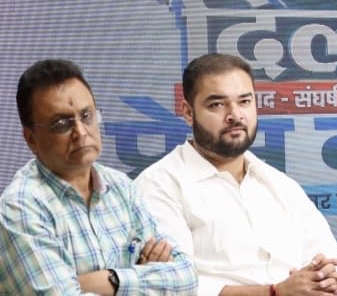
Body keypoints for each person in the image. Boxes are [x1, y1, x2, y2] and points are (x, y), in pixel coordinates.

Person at [135, 53, 337, 295]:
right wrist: (275, 292)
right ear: (188, 113)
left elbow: (330, 264)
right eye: (217, 104)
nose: (235, 115)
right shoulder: (159, 186)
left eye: (244, 101)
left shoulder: (280, 184)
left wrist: (328, 282)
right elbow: (173, 284)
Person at [0, 59, 197, 294]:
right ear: (31, 138)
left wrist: (110, 280)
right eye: (61, 123)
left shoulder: (120, 186)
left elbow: (186, 278)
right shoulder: (21, 207)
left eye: (86, 116)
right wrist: (145, 278)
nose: (81, 132)